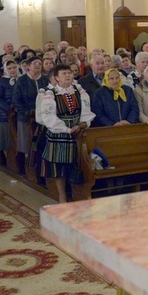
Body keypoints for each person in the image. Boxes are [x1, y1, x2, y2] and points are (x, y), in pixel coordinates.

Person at [36, 64, 95, 203]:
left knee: (78, 164)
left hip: (78, 132)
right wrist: (66, 129)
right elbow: (48, 117)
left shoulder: (79, 91)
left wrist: (82, 124)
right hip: (60, 133)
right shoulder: (49, 94)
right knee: (59, 167)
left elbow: (86, 110)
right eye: (63, 73)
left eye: (69, 73)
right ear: (56, 77)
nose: (68, 75)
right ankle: (62, 195)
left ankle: (77, 194)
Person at [13, 57, 48, 175]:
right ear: (28, 66)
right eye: (34, 63)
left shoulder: (45, 80)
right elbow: (17, 100)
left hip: (43, 117)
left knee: (40, 144)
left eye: (39, 63)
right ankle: (22, 167)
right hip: (26, 117)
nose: (38, 65)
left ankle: (39, 169)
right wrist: (27, 113)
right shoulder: (21, 81)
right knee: (24, 143)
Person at [0, 60, 18, 166]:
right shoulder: (0, 82)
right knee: (6, 140)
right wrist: (9, 109)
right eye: (9, 68)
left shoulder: (21, 79)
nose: (12, 70)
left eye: (14, 67)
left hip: (20, 114)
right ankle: (8, 160)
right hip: (6, 115)